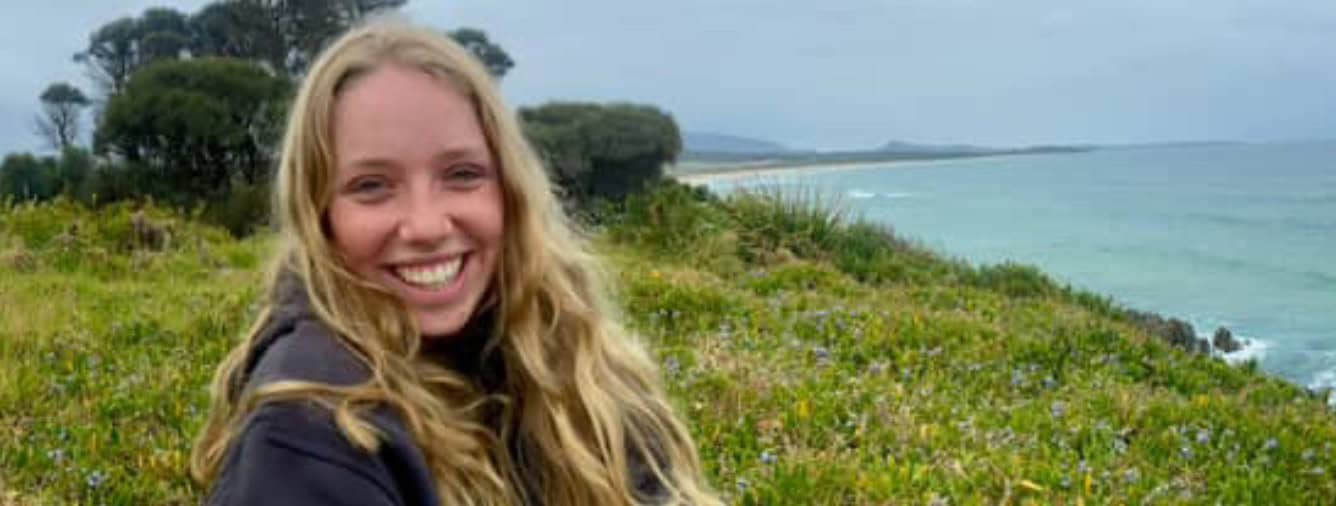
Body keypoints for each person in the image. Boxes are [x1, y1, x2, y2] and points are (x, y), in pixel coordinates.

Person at [189, 19, 721, 506]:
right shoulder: (308, 432)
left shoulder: (565, 355)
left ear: (509, 189)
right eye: (372, 186)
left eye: (463, 174)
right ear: (320, 214)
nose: (425, 227)